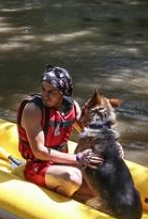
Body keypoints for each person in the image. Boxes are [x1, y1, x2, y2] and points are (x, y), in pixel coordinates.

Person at [16, 65, 103, 198]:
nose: (45, 95)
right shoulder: (33, 110)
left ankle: (71, 193)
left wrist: (108, 146)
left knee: (100, 186)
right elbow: (39, 152)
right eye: (44, 89)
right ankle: (58, 201)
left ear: (64, 93)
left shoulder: (72, 107)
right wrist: (77, 159)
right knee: (73, 178)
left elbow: (89, 134)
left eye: (52, 92)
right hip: (37, 168)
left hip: (61, 163)